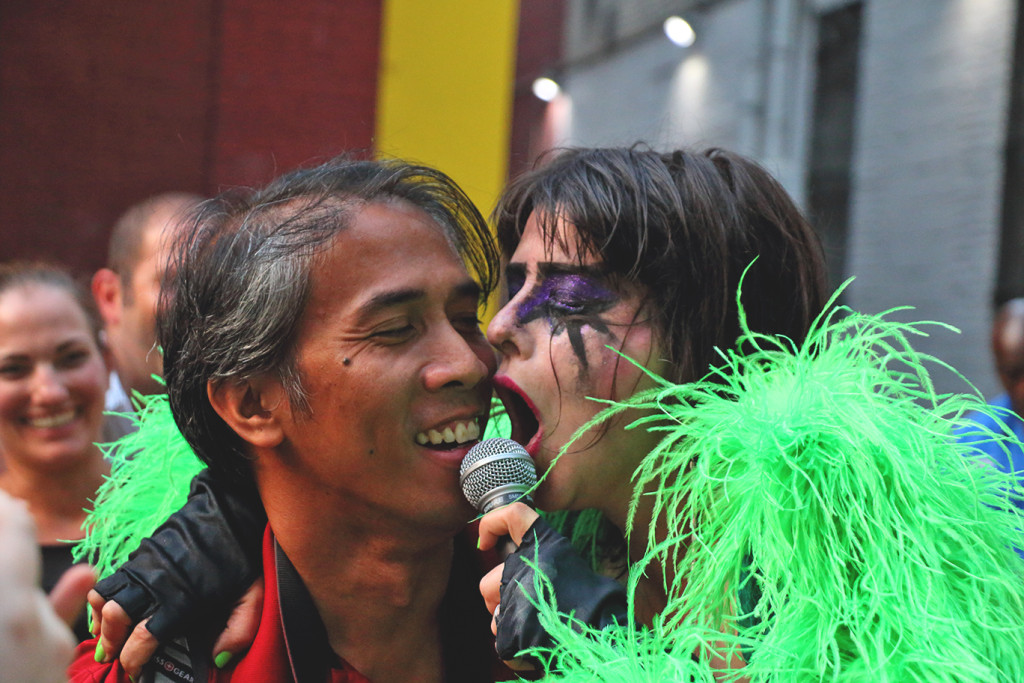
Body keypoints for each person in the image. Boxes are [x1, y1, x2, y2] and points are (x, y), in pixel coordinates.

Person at [82, 148, 1024, 681]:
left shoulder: (883, 604)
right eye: (509, 289)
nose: (494, 338)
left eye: (567, 299)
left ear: (721, 354)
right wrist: (241, 500)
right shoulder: (518, 550)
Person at [69, 156, 507, 682]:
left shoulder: (586, 619)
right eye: (395, 329)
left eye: (465, 320)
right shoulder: (155, 668)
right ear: (253, 405)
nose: (468, 363)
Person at [0, 262, 109, 642]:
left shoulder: (193, 504)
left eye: (70, 358)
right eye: (13, 368)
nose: (50, 391)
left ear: (106, 360)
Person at [91, 192, 203, 437]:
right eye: (175, 282)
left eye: (215, 283)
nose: (199, 305)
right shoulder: (66, 407)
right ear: (111, 296)